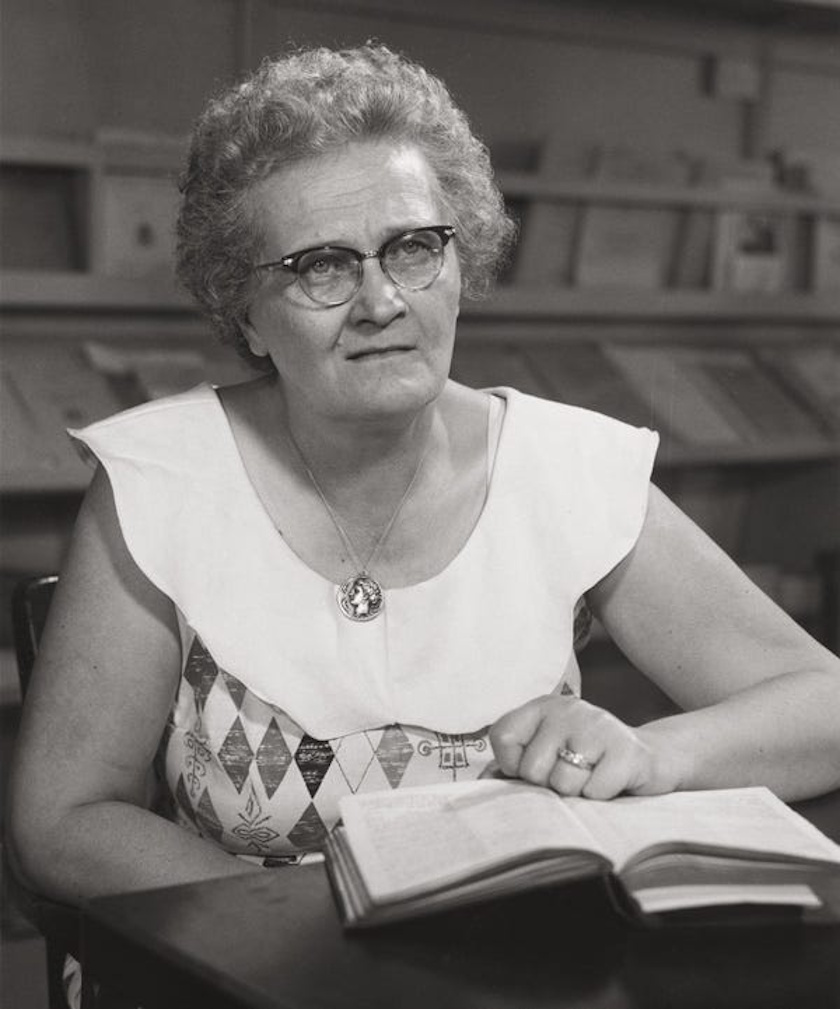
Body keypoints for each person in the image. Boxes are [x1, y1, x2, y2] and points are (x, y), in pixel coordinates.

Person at [8, 44, 840, 919]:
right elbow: (63, 820)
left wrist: (651, 751)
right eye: (321, 266)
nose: (381, 301)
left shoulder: (565, 466)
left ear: (461, 260)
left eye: (412, 248)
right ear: (245, 313)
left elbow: (823, 702)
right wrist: (314, 933)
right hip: (249, 963)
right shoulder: (162, 479)